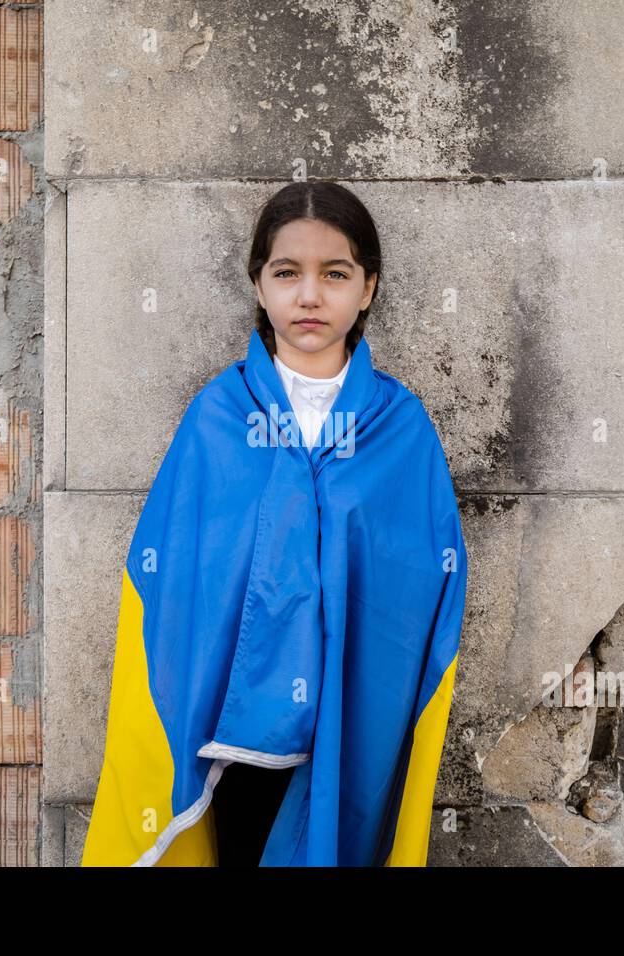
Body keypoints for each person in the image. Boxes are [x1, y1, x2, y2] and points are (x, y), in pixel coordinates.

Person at [80, 181, 468, 867]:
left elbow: (423, 581)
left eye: (335, 274)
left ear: (368, 288)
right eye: (287, 273)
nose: (310, 296)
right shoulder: (218, 417)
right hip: (236, 729)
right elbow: (170, 574)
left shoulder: (400, 427)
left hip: (352, 709)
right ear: (259, 286)